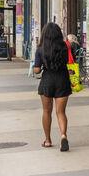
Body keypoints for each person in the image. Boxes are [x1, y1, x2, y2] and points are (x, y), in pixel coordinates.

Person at [32, 21, 73, 151]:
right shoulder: (65, 47)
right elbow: (69, 63)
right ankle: (63, 135)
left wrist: (37, 67)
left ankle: (48, 140)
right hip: (63, 80)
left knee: (46, 111)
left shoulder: (40, 50)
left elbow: (37, 70)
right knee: (61, 112)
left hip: (47, 81)